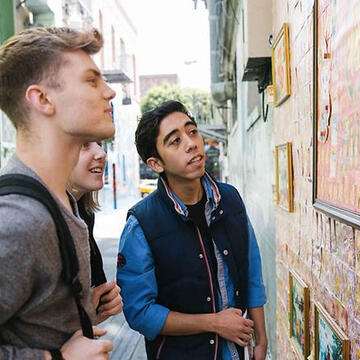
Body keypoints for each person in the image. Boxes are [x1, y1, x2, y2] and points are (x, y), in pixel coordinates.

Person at [117, 100, 268, 360]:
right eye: (175, 141)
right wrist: (213, 322)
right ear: (156, 163)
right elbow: (139, 312)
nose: (191, 143)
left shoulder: (230, 199)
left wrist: (262, 338)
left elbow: (251, 268)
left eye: (192, 131)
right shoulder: (142, 223)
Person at [0, 27, 117, 359]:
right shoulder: (19, 221)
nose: (108, 92)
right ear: (43, 99)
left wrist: (75, 313)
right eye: (91, 81)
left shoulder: (62, 201)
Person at [69, 141, 123, 324]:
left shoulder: (85, 214)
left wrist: (96, 312)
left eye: (100, 144)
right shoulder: (26, 218)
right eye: (84, 143)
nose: (101, 153)